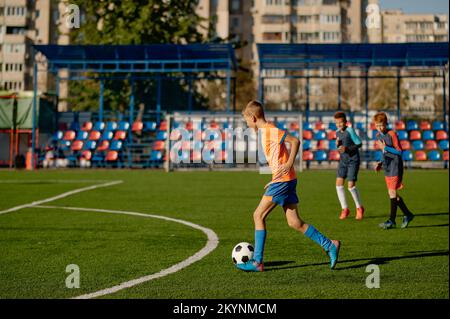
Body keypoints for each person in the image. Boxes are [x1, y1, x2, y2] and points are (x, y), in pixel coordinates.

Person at [237, 100, 340, 272]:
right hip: (286, 180)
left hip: (284, 180)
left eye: (246, 120)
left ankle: (257, 262)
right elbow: (278, 157)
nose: (246, 123)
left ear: (253, 118)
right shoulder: (264, 131)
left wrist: (289, 164)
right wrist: (275, 176)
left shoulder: (270, 130)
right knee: (294, 222)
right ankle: (330, 245)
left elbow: (295, 141)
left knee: (258, 216)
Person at [373, 112, 414, 229]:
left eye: (381, 125)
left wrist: (385, 147)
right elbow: (384, 152)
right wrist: (380, 162)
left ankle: (391, 221)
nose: (379, 128)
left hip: (395, 166)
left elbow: (399, 151)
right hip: (387, 166)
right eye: (377, 125)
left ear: (386, 124)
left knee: (392, 193)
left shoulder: (392, 134)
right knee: (393, 195)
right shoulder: (378, 136)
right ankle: (408, 214)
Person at [334, 112, 365, 220]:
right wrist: (338, 145)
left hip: (353, 160)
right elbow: (340, 146)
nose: (339, 124)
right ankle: (345, 209)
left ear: (345, 122)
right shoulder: (337, 133)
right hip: (343, 161)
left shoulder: (350, 130)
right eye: (337, 123)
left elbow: (359, 143)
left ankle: (359, 208)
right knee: (338, 184)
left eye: (341, 122)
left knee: (351, 185)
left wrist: (347, 149)